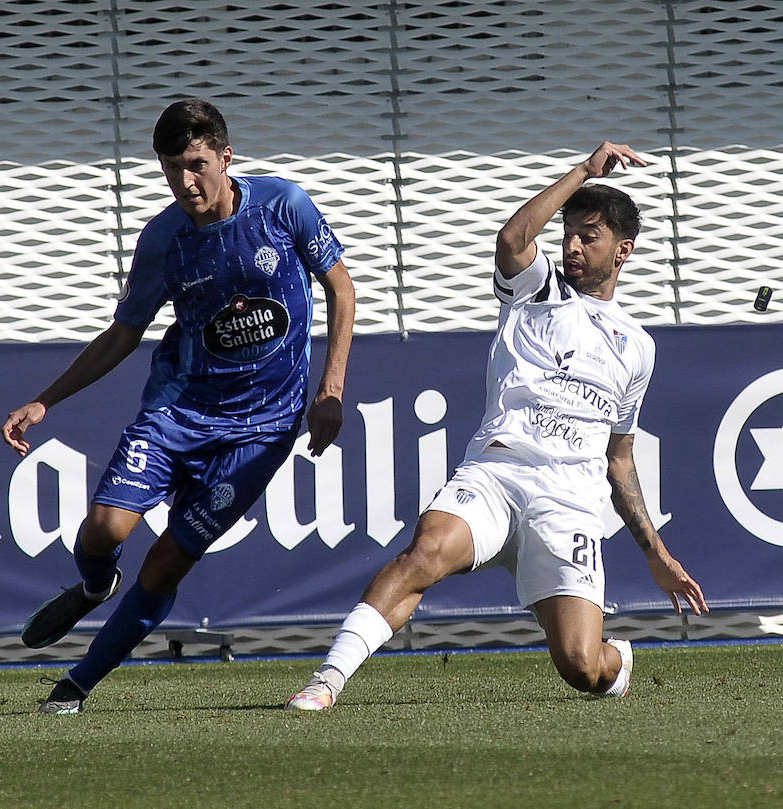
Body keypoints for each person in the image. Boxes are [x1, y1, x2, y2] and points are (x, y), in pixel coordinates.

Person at [286, 142, 710, 712]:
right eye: (569, 233)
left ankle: (617, 661)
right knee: (425, 553)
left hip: (569, 502)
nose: (573, 245)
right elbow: (511, 240)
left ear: (623, 251)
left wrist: (656, 553)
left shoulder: (638, 347)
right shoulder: (538, 291)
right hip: (497, 472)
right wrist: (583, 169)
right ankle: (327, 681)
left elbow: (619, 458)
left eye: (590, 236)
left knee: (582, 667)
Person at [1, 98, 356, 714]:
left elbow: (341, 291)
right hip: (178, 410)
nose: (185, 182)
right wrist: (44, 400)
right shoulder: (164, 240)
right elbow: (123, 332)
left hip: (263, 429)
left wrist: (330, 392)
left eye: (196, 164)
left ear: (225, 156)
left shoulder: (283, 206)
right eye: (171, 169)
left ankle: (77, 682)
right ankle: (93, 584)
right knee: (105, 529)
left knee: (167, 564)